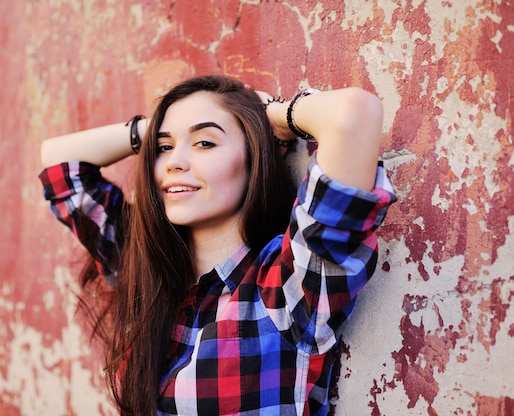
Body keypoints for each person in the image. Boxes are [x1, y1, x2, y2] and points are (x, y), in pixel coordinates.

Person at [38, 75, 396, 415]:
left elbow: (353, 114)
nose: (174, 163)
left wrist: (269, 116)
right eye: (163, 148)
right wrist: (166, 123)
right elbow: (59, 163)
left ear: (255, 156)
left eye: (204, 143)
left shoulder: (284, 292)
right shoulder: (147, 271)